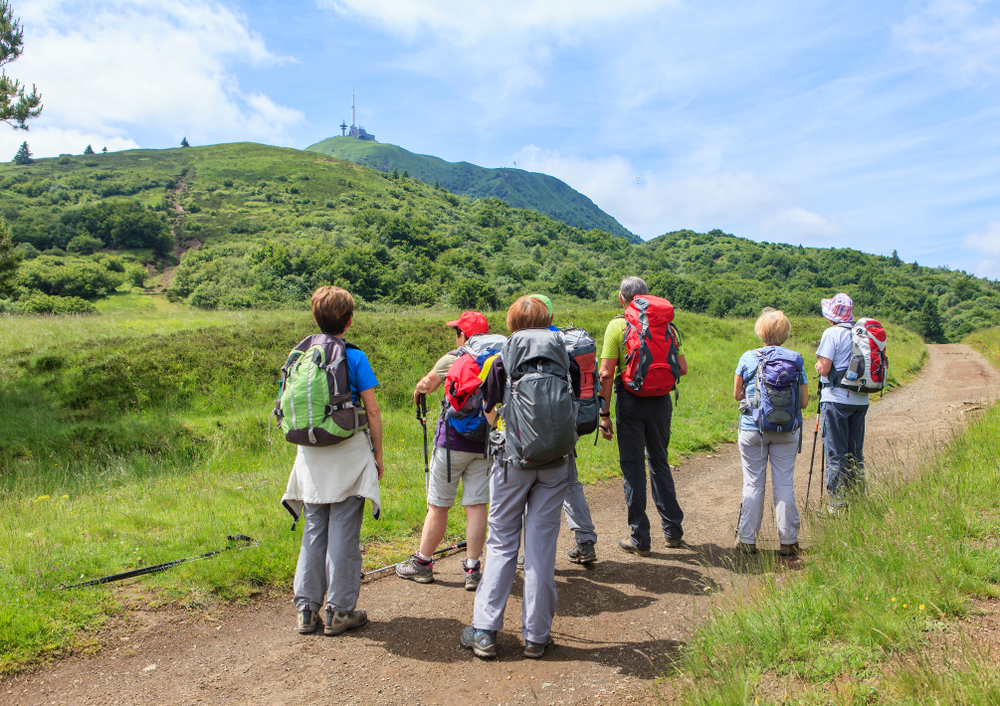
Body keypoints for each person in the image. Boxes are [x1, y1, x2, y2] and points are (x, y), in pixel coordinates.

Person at [461, 296, 580, 660]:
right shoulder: (566, 359)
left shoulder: (502, 360)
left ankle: (484, 631)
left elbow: (489, 409)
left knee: (501, 542)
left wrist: (507, 430)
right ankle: (536, 636)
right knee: (542, 548)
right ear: (548, 322)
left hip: (513, 462)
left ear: (511, 324)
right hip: (557, 462)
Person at [280, 286, 384, 636]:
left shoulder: (301, 354)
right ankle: (340, 611)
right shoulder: (354, 357)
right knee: (343, 530)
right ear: (349, 320)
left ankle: (307, 610)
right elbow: (371, 409)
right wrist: (378, 454)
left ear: (314, 318)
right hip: (347, 451)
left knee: (313, 528)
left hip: (309, 453)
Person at [396, 311, 492, 590]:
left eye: (457, 331)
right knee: (476, 505)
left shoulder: (453, 358)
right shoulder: (497, 356)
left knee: (438, 505)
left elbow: (428, 384)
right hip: (485, 443)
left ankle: (422, 564)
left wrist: (419, 389)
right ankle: (472, 569)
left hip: (452, 443)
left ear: (463, 335)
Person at [598, 276, 688, 556]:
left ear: (622, 299)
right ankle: (672, 531)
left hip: (630, 402)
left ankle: (640, 539)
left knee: (633, 469)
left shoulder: (617, 325)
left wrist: (604, 413)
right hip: (661, 401)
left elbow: (605, 374)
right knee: (659, 462)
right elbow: (682, 369)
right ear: (648, 296)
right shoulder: (666, 325)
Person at [529, 294, 598, 564]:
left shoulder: (524, 343)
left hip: (533, 428)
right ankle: (585, 540)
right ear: (553, 317)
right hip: (568, 423)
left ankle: (528, 554)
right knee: (569, 481)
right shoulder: (565, 341)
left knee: (528, 487)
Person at [733, 309, 809, 555]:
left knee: (753, 483)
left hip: (752, 429)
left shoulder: (747, 357)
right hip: (787, 430)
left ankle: (747, 540)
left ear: (761, 331)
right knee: (784, 483)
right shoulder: (796, 359)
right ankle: (788, 542)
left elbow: (737, 395)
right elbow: (805, 402)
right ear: (785, 333)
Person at [815, 293, 869, 512]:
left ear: (831, 316)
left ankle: (837, 506)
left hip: (836, 399)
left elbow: (824, 368)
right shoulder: (860, 333)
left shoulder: (831, 333)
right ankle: (857, 501)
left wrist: (817, 367)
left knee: (836, 453)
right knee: (855, 453)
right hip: (861, 399)